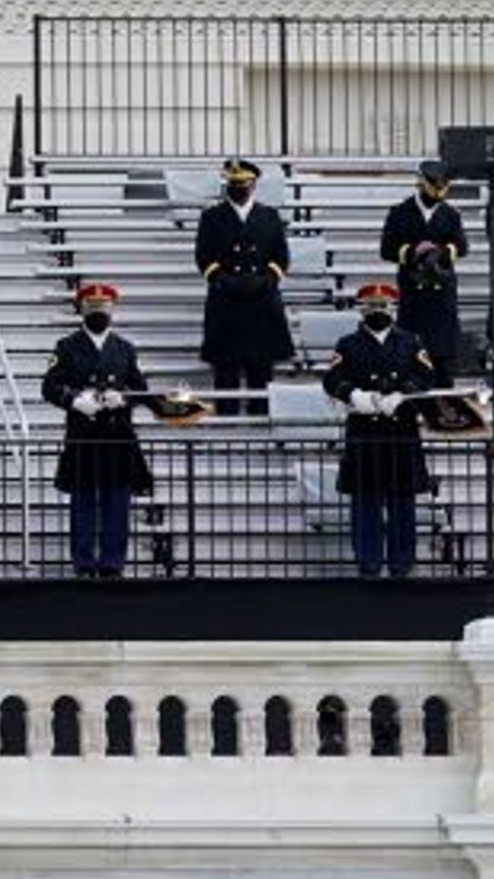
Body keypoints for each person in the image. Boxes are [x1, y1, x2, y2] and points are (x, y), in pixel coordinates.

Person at [320, 280, 444, 578]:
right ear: (361, 311)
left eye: (383, 305)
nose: (378, 310)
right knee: (366, 502)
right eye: (371, 306)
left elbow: (427, 375)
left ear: (394, 308)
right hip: (364, 432)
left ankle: (402, 564)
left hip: (400, 431)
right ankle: (369, 562)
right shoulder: (347, 343)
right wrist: (354, 396)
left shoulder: (411, 341)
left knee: (402, 501)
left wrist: (403, 394)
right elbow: (332, 379)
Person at [40, 281, 154, 579]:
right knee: (83, 501)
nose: (99, 313)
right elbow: (49, 387)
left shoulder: (125, 348)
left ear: (112, 310)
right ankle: (84, 562)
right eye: (92, 308)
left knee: (118, 501)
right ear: (82, 310)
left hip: (118, 435)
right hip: (83, 433)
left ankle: (113, 563)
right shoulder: (66, 346)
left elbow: (141, 389)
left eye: (104, 308)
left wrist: (124, 398)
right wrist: (75, 401)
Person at [192, 157, 293, 415]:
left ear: (254, 185)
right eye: (233, 183)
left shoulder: (269, 216)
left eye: (243, 183)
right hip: (225, 302)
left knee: (261, 370)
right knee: (226, 370)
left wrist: (267, 280)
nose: (238, 188)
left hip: (262, 302)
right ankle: (227, 422)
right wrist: (222, 280)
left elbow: (281, 256)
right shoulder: (212, 217)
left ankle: (261, 420)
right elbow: (203, 256)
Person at [380, 160, 471, 372]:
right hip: (413, 290)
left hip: (442, 290)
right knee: (412, 354)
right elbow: (386, 250)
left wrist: (442, 252)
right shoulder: (400, 212)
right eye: (434, 186)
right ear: (421, 184)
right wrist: (413, 251)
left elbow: (462, 246)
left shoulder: (451, 214)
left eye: (442, 186)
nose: (438, 192)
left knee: (442, 356)